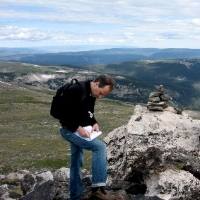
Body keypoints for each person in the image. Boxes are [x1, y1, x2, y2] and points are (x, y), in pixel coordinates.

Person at [59, 75, 117, 200]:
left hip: (76, 130)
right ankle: (98, 188)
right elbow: (62, 114)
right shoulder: (76, 90)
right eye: (101, 93)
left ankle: (75, 196)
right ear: (96, 84)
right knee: (99, 147)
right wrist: (78, 128)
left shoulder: (91, 93)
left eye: (103, 95)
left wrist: (93, 122)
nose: (100, 97)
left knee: (76, 162)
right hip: (69, 130)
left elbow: (89, 111)